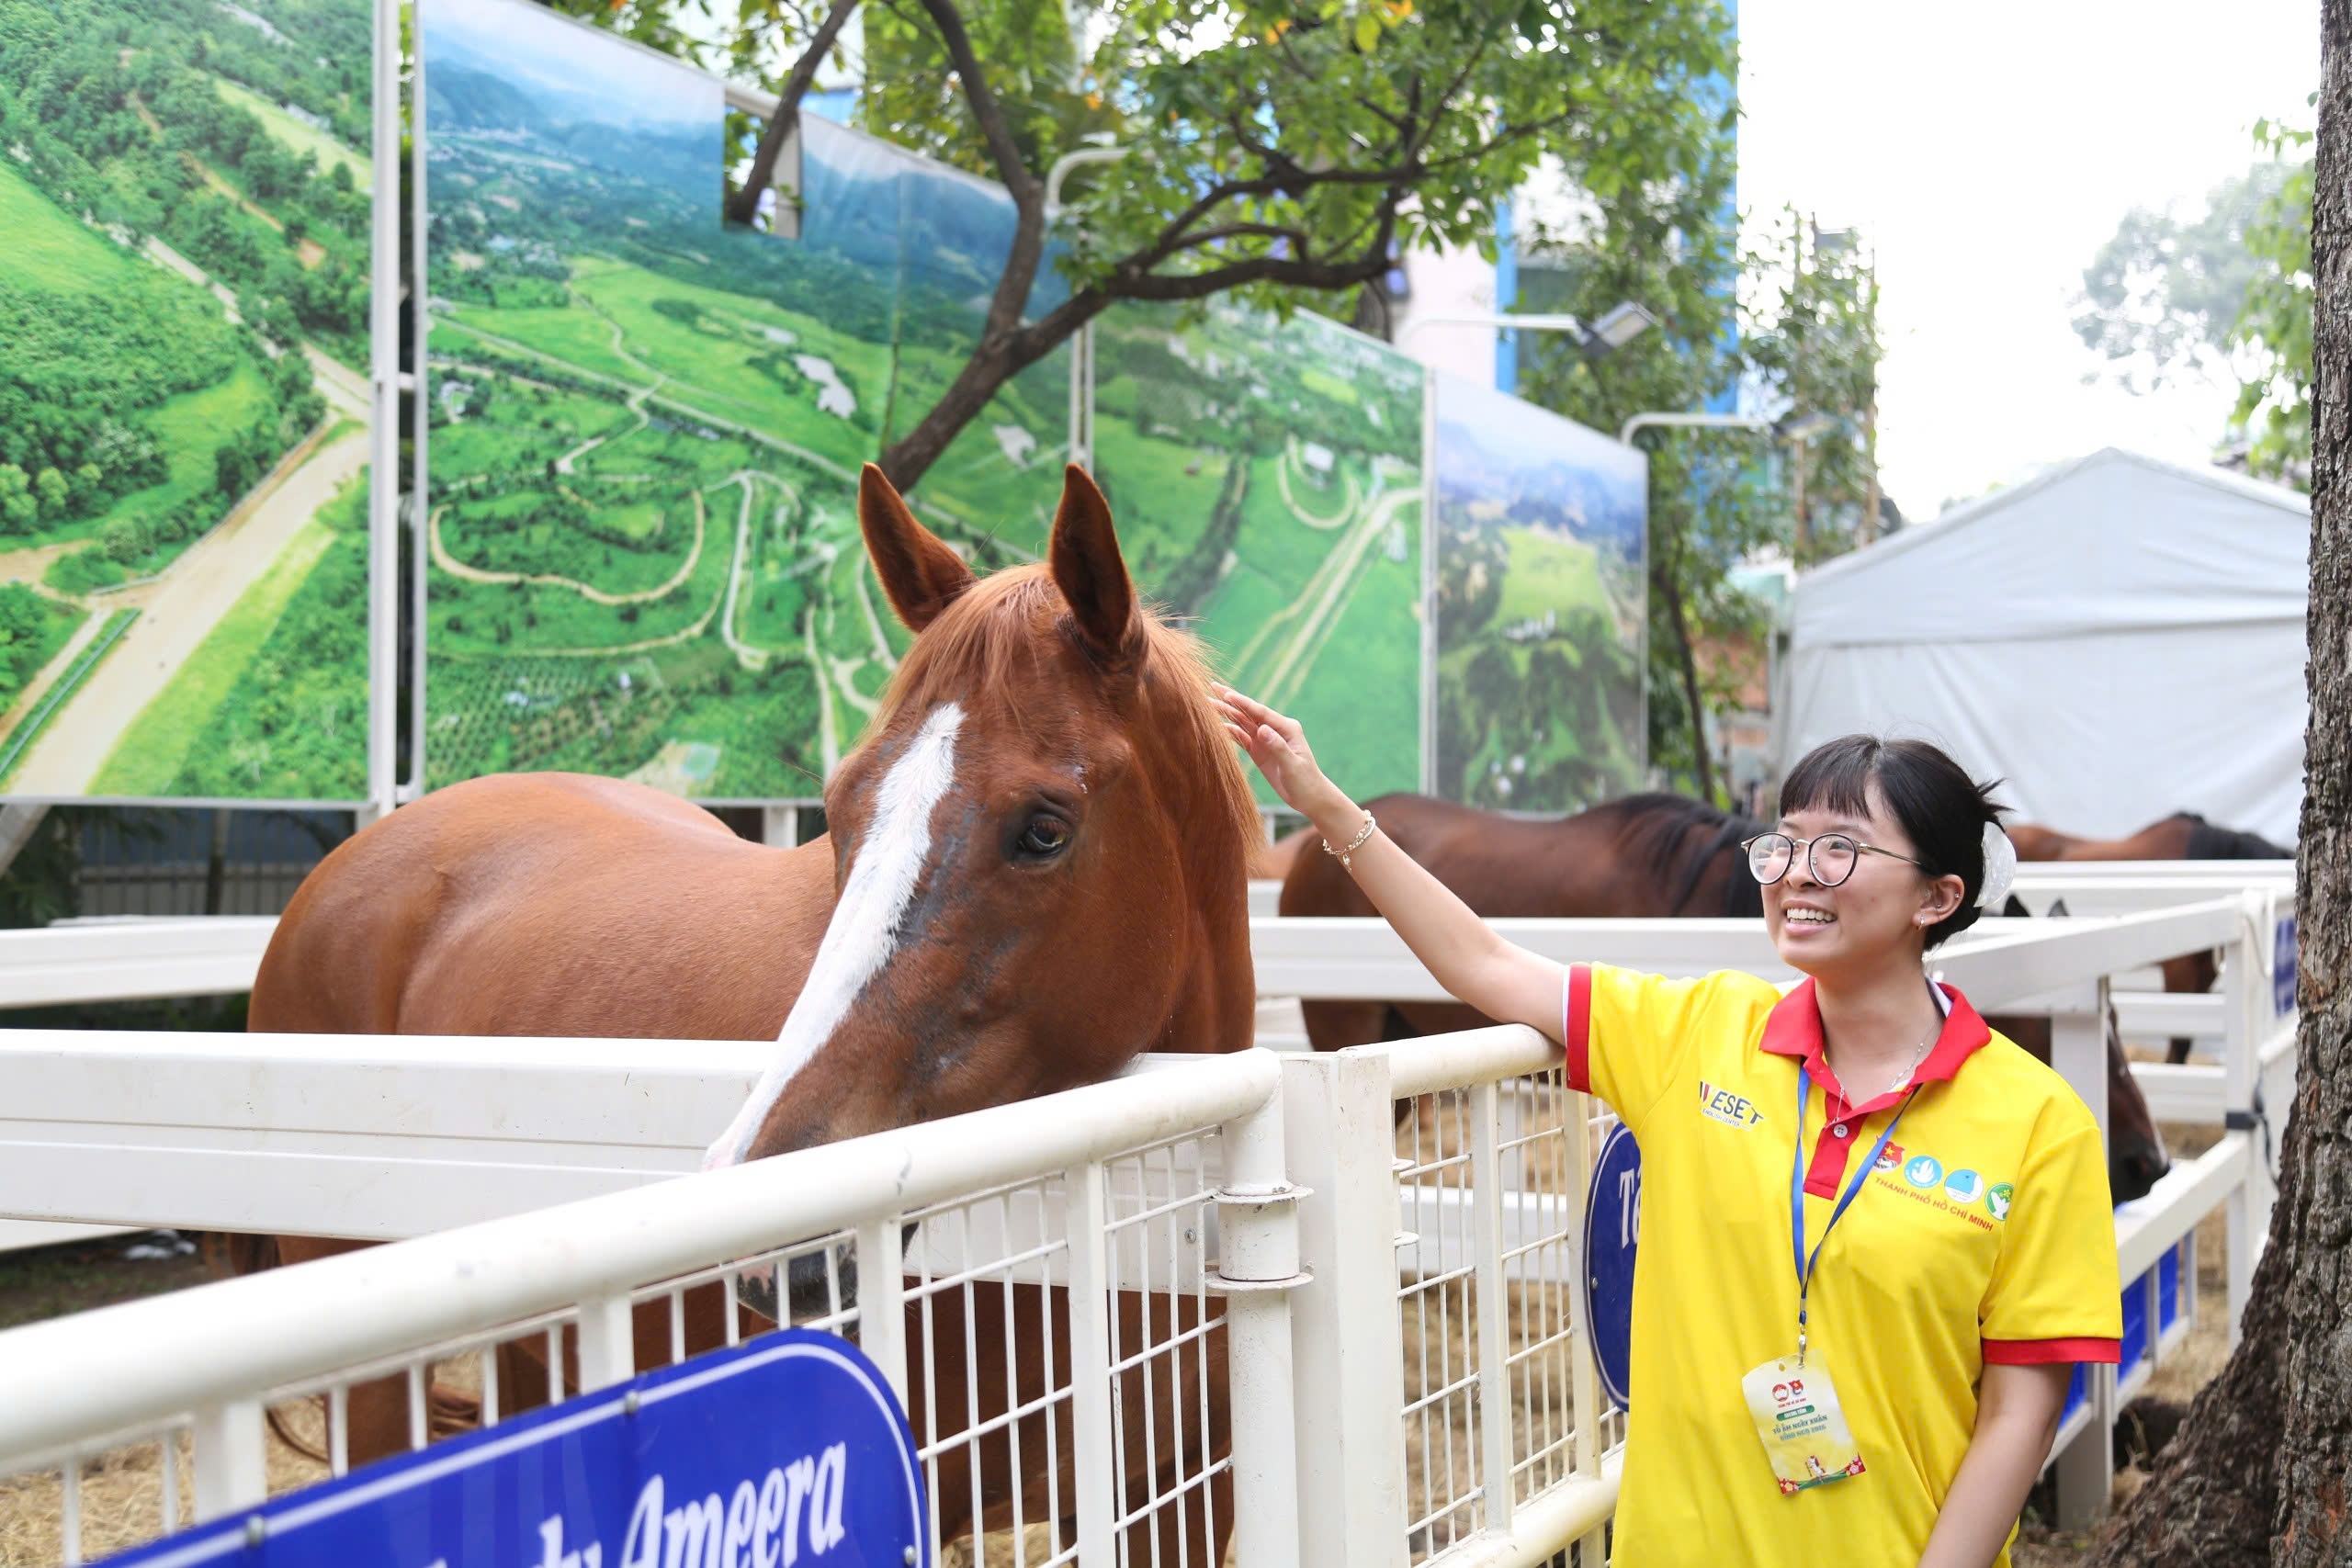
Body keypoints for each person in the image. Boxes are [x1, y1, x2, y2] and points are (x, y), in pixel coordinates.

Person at [1216, 685, 2121, 1568]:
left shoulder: (2039, 1127)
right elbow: (1481, 963)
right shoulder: (1695, 1032)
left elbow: (2021, 1413)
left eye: (1841, 850)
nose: (1796, 874)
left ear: (1936, 897)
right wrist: (1329, 811)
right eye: (1785, 844)